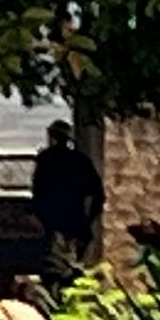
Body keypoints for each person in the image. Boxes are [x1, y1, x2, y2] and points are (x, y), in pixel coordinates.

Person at [36, 115, 105, 268]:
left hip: (54, 221)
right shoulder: (80, 160)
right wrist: (88, 219)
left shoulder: (45, 160)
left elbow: (38, 191)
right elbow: (97, 193)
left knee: (56, 264)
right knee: (75, 264)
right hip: (76, 220)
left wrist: (39, 216)